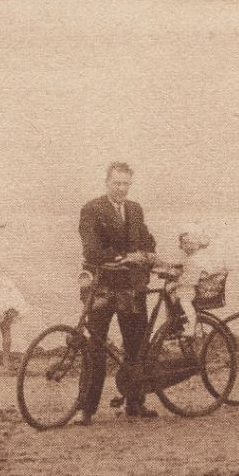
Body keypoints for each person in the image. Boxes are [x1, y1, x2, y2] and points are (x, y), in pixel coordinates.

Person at [77, 162, 158, 422]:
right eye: (116, 183)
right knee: (95, 348)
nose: (121, 189)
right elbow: (91, 250)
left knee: (136, 346)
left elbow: (148, 240)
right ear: (106, 182)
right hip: (102, 287)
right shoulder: (92, 209)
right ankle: (86, 409)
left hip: (132, 287)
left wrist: (144, 255)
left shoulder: (135, 209)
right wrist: (125, 257)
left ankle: (135, 402)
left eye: (126, 184)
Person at [164, 228, 219, 339]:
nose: (187, 246)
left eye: (190, 242)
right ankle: (177, 323)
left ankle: (191, 327)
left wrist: (176, 284)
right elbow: (187, 270)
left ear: (198, 243)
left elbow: (190, 278)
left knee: (184, 301)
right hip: (193, 285)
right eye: (184, 243)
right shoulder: (193, 257)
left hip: (194, 288)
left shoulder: (194, 259)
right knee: (171, 294)